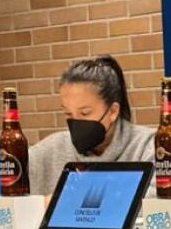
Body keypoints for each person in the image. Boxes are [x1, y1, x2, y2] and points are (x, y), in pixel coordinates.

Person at [29, 55, 155, 196]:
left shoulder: (147, 146)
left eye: (85, 113)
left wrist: (66, 202)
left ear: (113, 111)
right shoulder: (51, 149)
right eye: (68, 114)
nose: (76, 122)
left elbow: (156, 204)